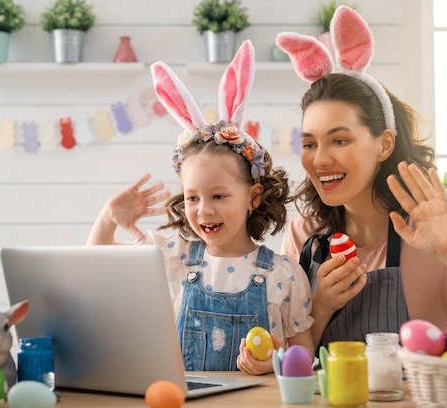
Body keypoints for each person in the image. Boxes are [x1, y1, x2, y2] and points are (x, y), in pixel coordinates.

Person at [275, 6, 447, 349]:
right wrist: (321, 305)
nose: (321, 159)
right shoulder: (304, 237)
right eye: (309, 142)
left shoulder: (443, 231)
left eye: (340, 140)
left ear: (384, 144)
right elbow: (282, 359)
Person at [87, 40, 314, 375]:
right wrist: (108, 218)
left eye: (218, 197)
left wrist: (273, 364)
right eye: (193, 197)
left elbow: (304, 355)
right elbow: (98, 269)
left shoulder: (285, 276)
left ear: (253, 197)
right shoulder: (168, 256)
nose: (203, 210)